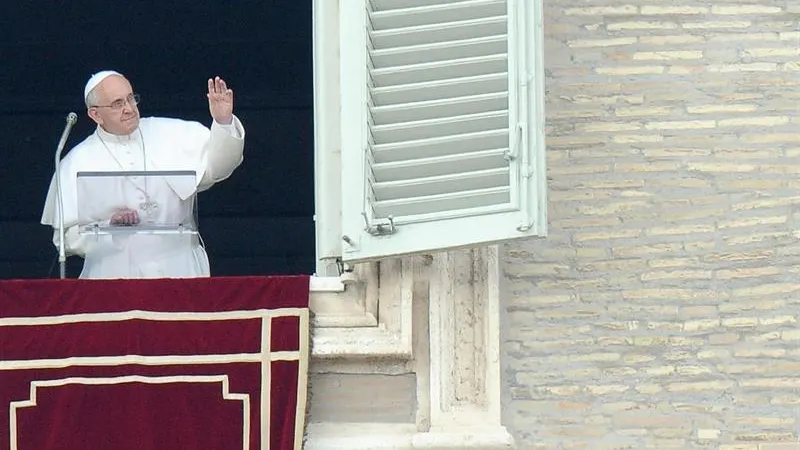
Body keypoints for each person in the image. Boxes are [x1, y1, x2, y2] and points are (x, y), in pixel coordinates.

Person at [40, 70, 245, 279]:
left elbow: (219, 168)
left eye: (131, 99)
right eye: (117, 104)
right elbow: (66, 239)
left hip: (180, 268)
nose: (129, 109)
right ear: (95, 115)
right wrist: (107, 230)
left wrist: (223, 121)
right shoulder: (77, 160)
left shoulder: (170, 132)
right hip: (113, 275)